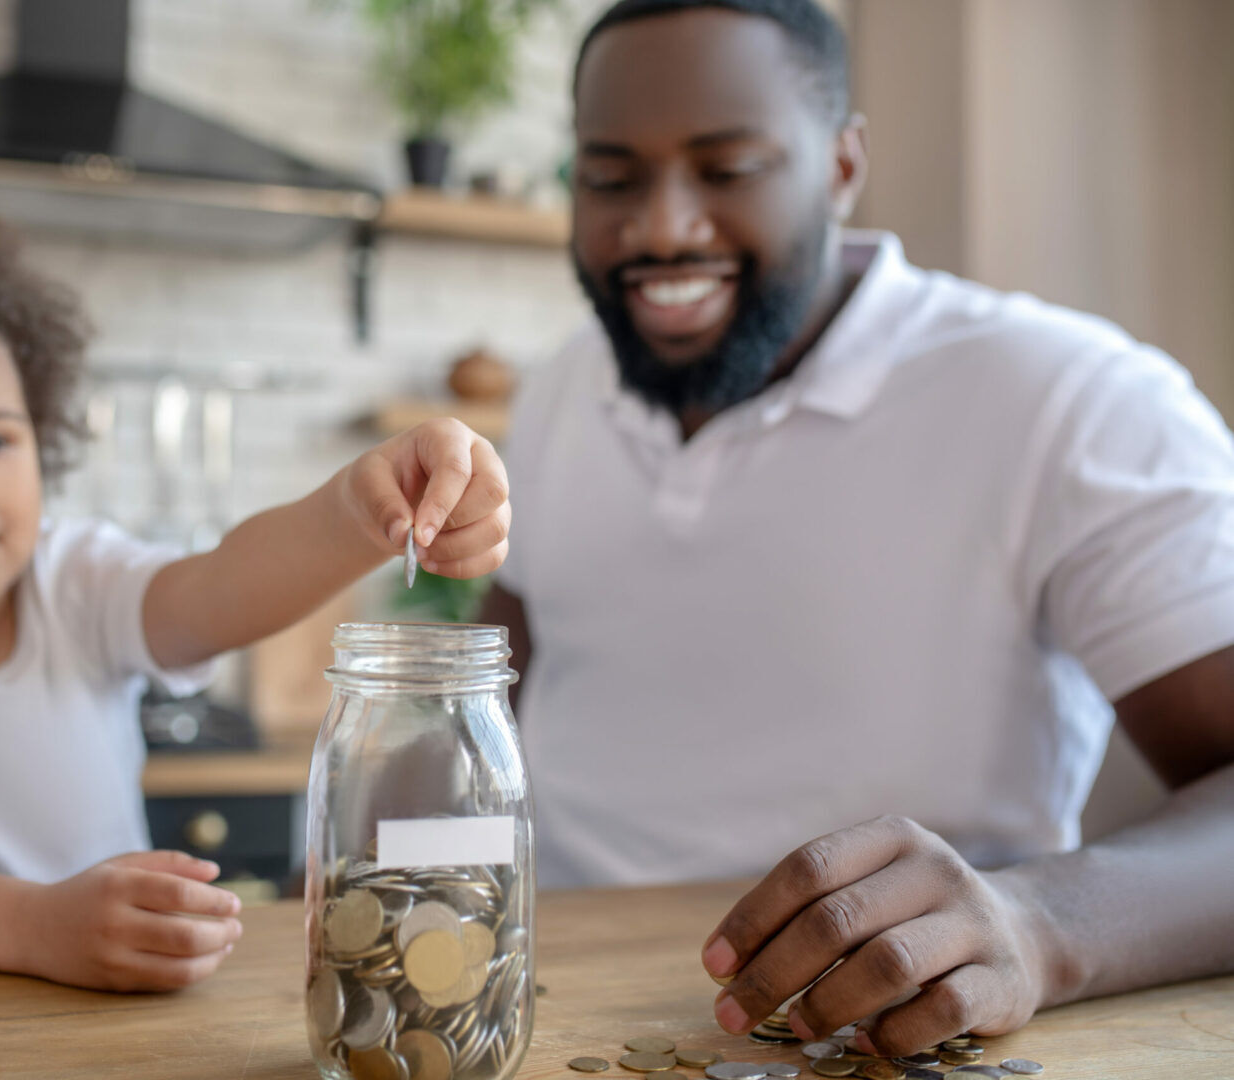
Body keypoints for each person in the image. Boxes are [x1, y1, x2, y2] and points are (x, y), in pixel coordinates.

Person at [479, 0, 1234, 1057]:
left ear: (841, 166)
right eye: (609, 177)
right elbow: (486, 685)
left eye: (728, 166)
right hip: (537, 1023)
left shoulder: (1074, 401)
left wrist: (1038, 923)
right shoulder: (563, 387)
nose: (660, 228)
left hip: (873, 1044)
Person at [0, 186, 510, 993]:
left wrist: (354, 510)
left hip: (106, 1011)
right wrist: (32, 927)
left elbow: (218, 591)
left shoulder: (76, 574)